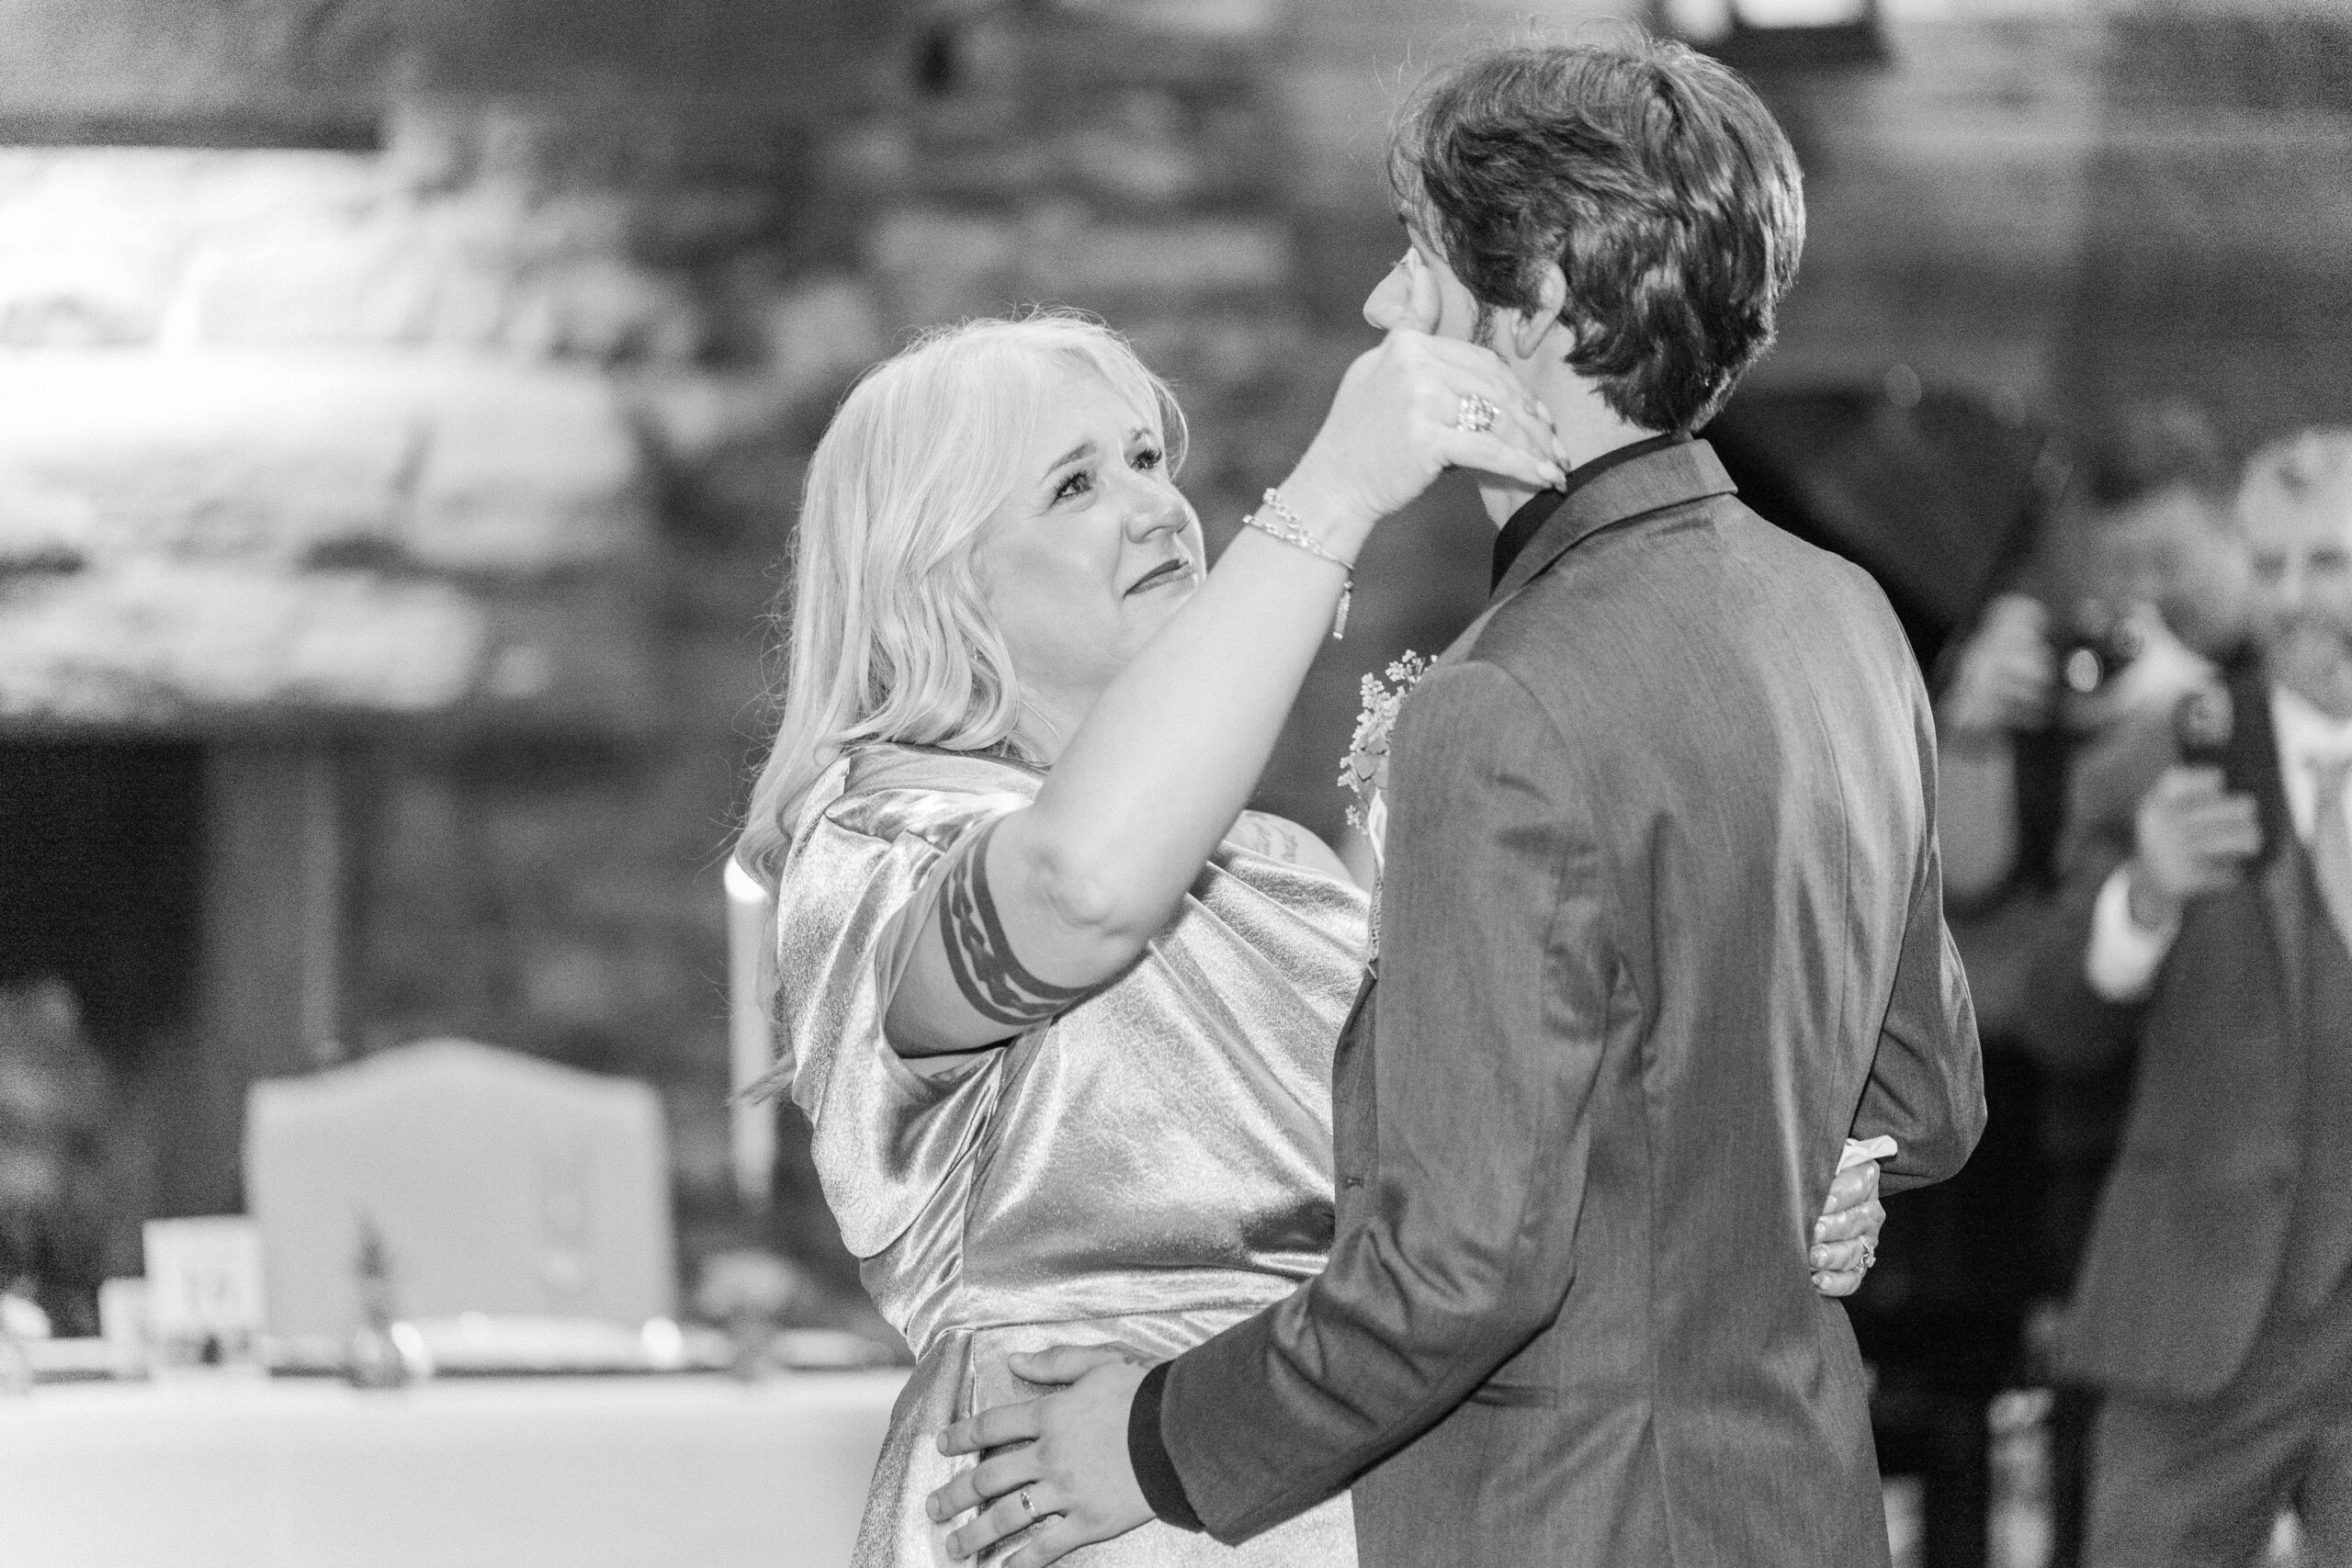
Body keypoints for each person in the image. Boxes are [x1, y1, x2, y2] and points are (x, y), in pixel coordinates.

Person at [930, 38, 1984, 1568]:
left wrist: (1149, 1442)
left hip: (1570, 1520)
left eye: (1418, 259)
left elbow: (1459, 1269)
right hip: (1798, 1504)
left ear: (1537, 300)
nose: (1382, 306)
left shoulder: (1505, 699)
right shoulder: (1846, 617)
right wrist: (1783, 1171)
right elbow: (1926, 1101)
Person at [736, 304, 1894, 1568]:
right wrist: (1333, 491)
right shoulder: (880, 849)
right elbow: (1076, 893)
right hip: (1071, 1509)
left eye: (1147, 459)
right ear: (935, 582)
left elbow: (1465, 1196)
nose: (1156, 507)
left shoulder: (1281, 865)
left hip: (1345, 1484)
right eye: (1075, 484)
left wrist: (1737, 1179)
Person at [2018, 427, 2352, 1566]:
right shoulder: (2156, 757)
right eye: (2270, 565)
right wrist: (2145, 899)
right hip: (2197, 1322)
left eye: (2329, 563)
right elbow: (2054, 1021)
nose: (2295, 600)